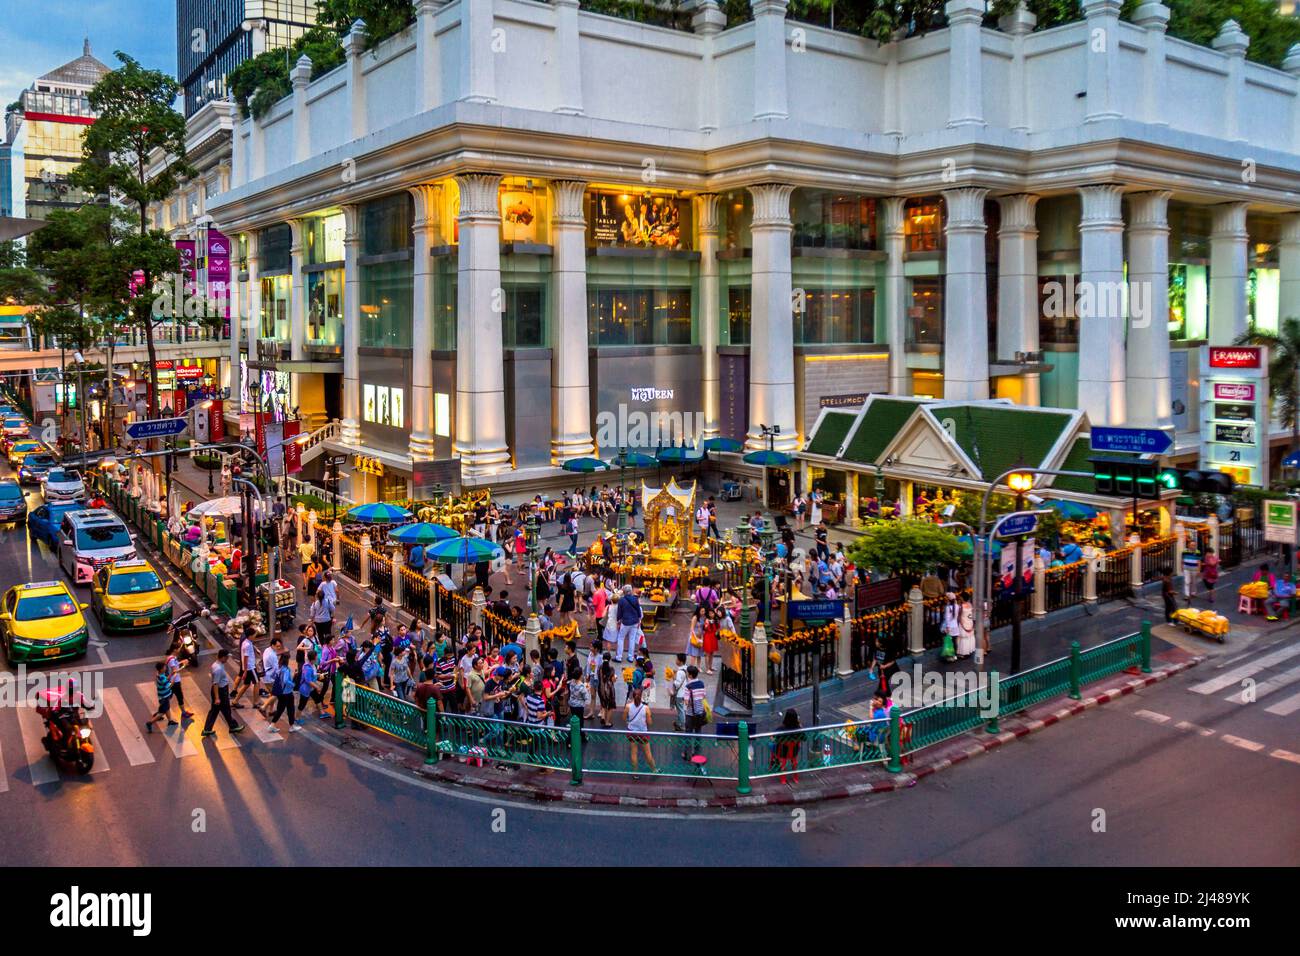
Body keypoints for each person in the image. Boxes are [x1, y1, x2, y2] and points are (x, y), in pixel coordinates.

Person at [201, 649, 245, 738]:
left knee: (215, 710)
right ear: (223, 657)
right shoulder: (218, 669)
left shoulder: (217, 664)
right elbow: (216, 684)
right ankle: (233, 727)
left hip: (220, 690)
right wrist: (217, 698)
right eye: (227, 657)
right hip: (220, 691)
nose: (228, 659)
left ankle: (207, 729)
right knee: (226, 709)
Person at [624, 688, 657, 775]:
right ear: (641, 696)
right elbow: (650, 723)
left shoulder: (628, 706)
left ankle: (635, 773)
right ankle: (654, 770)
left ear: (633, 696)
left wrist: (629, 722)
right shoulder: (646, 708)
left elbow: (624, 718)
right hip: (643, 733)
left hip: (632, 732)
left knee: (633, 753)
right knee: (648, 753)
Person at [267, 652, 300, 731]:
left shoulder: (279, 667)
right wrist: (292, 684)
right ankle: (291, 726)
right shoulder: (286, 669)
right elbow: (285, 681)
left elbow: (272, 675)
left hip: (280, 692)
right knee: (290, 709)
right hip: (287, 692)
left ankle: (273, 725)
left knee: (281, 709)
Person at [144, 661, 178, 733]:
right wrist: (174, 678)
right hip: (164, 697)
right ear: (161, 669)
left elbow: (166, 679)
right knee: (162, 712)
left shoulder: (160, 674)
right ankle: (150, 723)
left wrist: (171, 674)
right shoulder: (162, 677)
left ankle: (170, 721)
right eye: (164, 667)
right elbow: (169, 685)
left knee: (167, 708)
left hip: (163, 696)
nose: (166, 668)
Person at [773, 707, 803, 784]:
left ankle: (783, 779)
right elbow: (803, 738)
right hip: (794, 752)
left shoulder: (781, 728)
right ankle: (795, 778)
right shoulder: (798, 728)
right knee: (794, 761)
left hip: (782, 753)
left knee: (771, 745)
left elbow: (773, 737)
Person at [614, 584, 643, 663]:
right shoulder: (635, 599)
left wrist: (618, 621)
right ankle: (630, 657)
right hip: (634, 621)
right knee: (632, 639)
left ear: (623, 591)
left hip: (626, 622)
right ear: (631, 591)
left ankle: (619, 657)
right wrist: (639, 619)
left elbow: (619, 613)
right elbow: (638, 610)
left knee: (621, 638)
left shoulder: (621, 600)